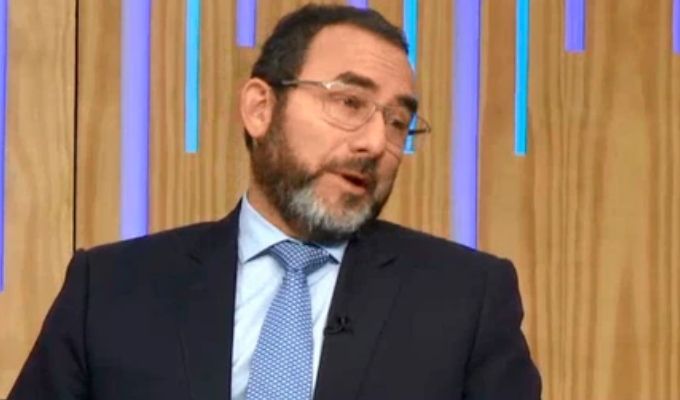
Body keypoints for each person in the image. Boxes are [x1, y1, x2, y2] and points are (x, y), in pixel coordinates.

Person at [9, 4, 540, 400]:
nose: (376, 143)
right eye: (349, 102)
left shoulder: (467, 299)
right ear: (261, 108)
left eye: (398, 122)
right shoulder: (110, 288)